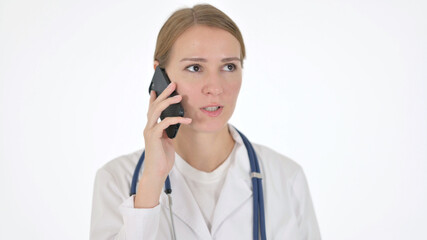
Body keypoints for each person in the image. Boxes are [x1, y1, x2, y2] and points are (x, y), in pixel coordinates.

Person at [90, 4, 321, 240]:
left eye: (229, 66)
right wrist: (151, 181)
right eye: (195, 67)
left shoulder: (287, 178)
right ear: (160, 76)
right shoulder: (116, 180)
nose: (215, 87)